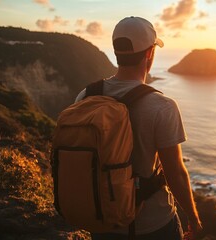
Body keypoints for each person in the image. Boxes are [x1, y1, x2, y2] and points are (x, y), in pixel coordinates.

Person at [74, 16, 202, 240]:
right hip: (152, 225)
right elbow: (176, 173)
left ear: (117, 52)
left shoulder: (86, 96)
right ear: (149, 53)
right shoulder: (163, 107)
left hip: (102, 221)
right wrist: (193, 216)